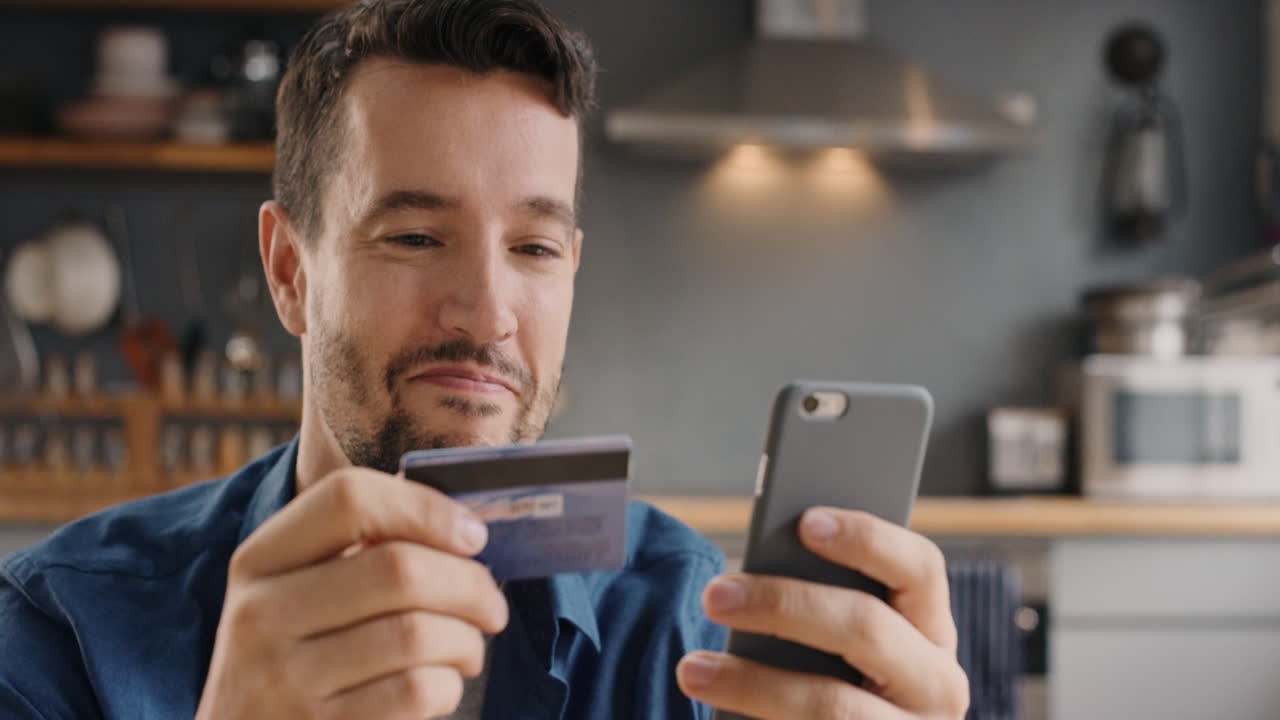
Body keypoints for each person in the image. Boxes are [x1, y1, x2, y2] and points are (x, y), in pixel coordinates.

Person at [0, 1, 969, 718]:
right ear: (291, 273)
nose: (487, 314)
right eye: (415, 237)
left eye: (534, 250)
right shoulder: (60, 629)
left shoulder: (685, 624)